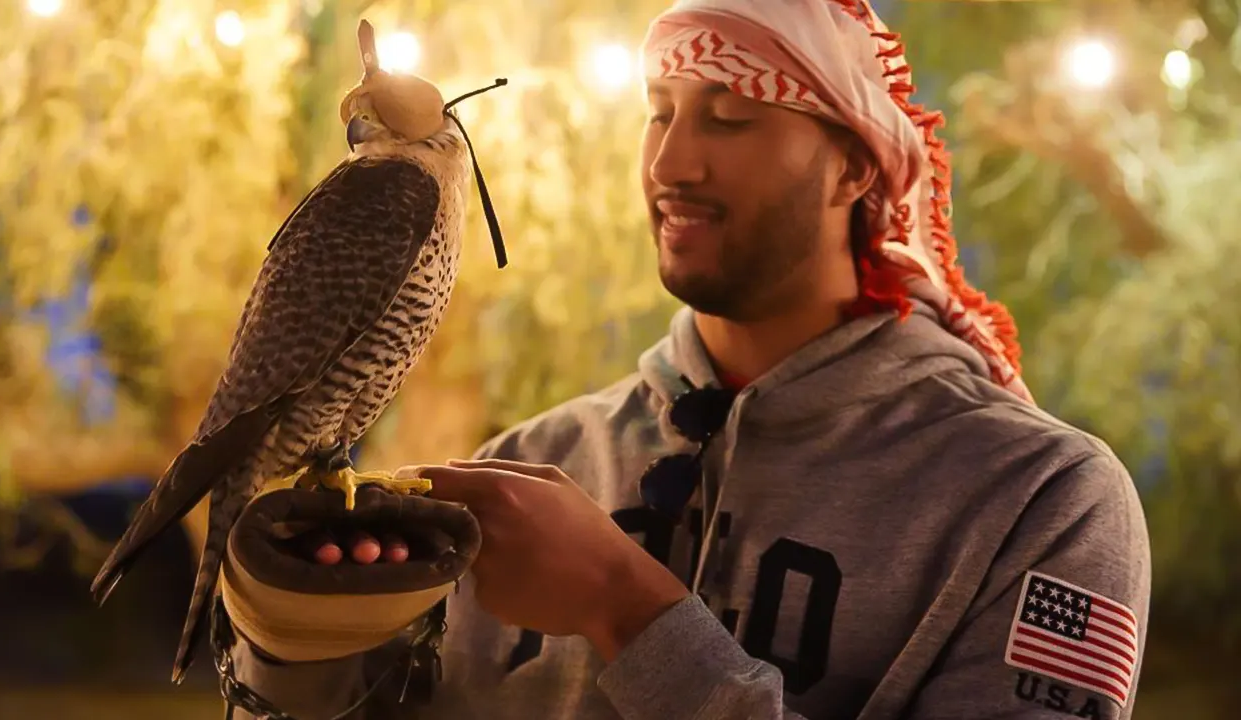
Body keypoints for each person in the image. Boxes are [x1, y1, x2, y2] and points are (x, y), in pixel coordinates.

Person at [222, 0, 1151, 718]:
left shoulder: (1040, 500)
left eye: (730, 119)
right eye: (659, 114)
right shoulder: (536, 465)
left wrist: (624, 607)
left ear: (859, 166)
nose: (672, 163)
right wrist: (294, 648)